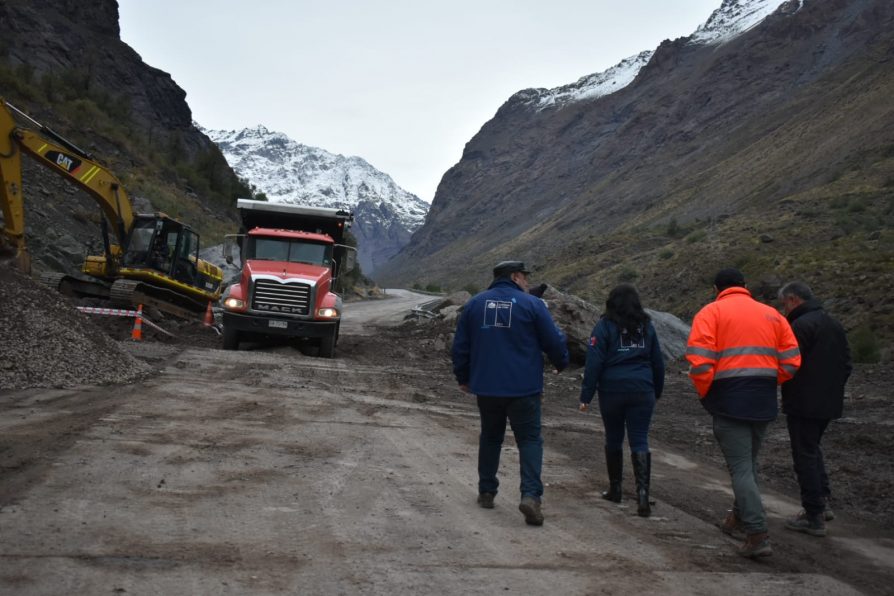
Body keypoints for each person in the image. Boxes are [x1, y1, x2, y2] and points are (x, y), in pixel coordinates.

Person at [685, 268, 801, 559]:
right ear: (745, 286)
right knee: (748, 465)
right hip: (762, 400)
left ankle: (757, 534)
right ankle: (737, 519)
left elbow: (700, 364)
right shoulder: (773, 315)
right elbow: (791, 361)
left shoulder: (710, 314)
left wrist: (706, 392)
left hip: (728, 400)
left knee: (741, 468)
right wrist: (768, 381)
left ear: (716, 288)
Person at [452, 260, 569, 526]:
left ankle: (486, 490)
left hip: (487, 386)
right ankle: (530, 496)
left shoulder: (475, 304)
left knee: (491, 437)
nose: (528, 282)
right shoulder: (532, 305)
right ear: (515, 277)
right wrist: (561, 362)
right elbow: (552, 339)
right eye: (525, 277)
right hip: (523, 387)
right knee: (529, 440)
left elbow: (461, 345)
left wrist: (463, 377)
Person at [578, 284, 665, 517]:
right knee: (639, 439)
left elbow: (594, 363)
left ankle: (615, 489)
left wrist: (586, 396)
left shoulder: (604, 326)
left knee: (614, 437)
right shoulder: (647, 327)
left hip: (613, 390)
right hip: (642, 389)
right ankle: (643, 495)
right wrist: (656, 390)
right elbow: (658, 361)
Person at [779, 281, 852, 537]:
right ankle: (823, 502)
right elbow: (846, 364)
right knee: (812, 449)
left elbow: (789, 363)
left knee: (804, 455)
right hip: (829, 402)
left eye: (784, 304)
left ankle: (813, 515)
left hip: (803, 402)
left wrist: (783, 385)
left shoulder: (800, 326)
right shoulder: (832, 323)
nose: (783, 309)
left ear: (792, 300)